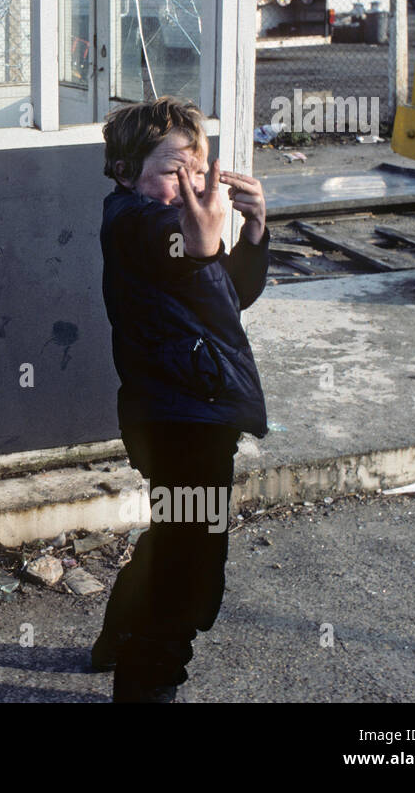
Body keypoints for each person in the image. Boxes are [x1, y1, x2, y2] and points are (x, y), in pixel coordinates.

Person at [91, 96, 269, 703]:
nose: (192, 182)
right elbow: (171, 245)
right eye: (173, 169)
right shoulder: (135, 221)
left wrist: (252, 232)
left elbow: (233, 294)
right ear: (124, 172)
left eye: (199, 167)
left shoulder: (180, 221)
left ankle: (116, 637)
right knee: (192, 562)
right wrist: (199, 246)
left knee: (178, 531)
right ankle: (148, 682)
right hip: (176, 419)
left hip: (198, 413)